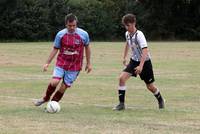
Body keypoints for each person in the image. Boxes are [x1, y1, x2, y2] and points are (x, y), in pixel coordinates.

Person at [34, 13, 92, 107]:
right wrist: (47, 63)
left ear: (76, 24)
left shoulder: (83, 34)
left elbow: (87, 48)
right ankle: (45, 98)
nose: (72, 27)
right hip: (61, 63)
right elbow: (55, 48)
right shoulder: (60, 34)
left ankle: (52, 104)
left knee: (63, 87)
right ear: (66, 24)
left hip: (75, 66)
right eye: (70, 26)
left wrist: (89, 63)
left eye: (74, 25)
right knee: (55, 82)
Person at [113, 13, 165, 110]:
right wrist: (124, 57)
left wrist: (141, 66)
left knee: (150, 86)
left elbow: (145, 50)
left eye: (128, 25)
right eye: (125, 25)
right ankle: (121, 104)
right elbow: (127, 44)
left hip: (145, 62)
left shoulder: (139, 35)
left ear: (134, 23)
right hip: (134, 61)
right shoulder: (127, 34)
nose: (126, 27)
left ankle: (160, 99)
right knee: (121, 78)